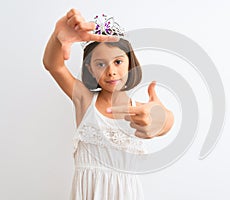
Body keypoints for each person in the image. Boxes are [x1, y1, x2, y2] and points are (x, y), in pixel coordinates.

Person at [43, 8, 174, 200]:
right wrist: (57, 36)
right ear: (90, 69)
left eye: (118, 62)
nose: (111, 71)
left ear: (130, 62)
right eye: (101, 64)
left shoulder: (140, 111)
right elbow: (53, 65)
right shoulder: (85, 101)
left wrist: (162, 120)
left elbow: (163, 119)